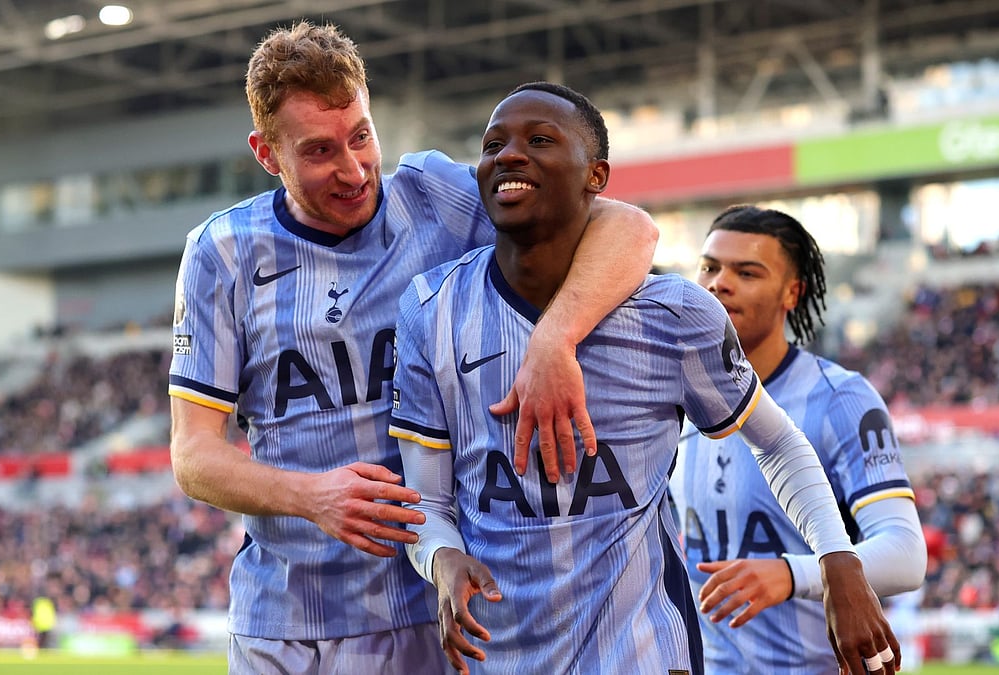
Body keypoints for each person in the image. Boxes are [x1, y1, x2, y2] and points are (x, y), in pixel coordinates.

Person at [166, 21, 658, 674]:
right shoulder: (221, 253)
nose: (353, 169)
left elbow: (628, 228)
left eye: (361, 136)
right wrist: (312, 495)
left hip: (437, 608)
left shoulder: (438, 199)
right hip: (287, 624)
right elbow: (194, 456)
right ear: (266, 152)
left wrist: (555, 336)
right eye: (318, 151)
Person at [390, 81, 898, 675]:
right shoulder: (431, 309)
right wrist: (442, 555)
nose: (508, 154)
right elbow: (427, 502)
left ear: (596, 176)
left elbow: (777, 440)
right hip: (499, 655)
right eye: (493, 143)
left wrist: (839, 562)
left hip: (643, 654)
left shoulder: (673, 314)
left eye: (541, 139)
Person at [670, 206, 926, 674]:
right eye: (709, 266)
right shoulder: (672, 396)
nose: (719, 282)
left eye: (746, 272)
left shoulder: (840, 398)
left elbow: (906, 554)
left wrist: (793, 574)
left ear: (792, 292)